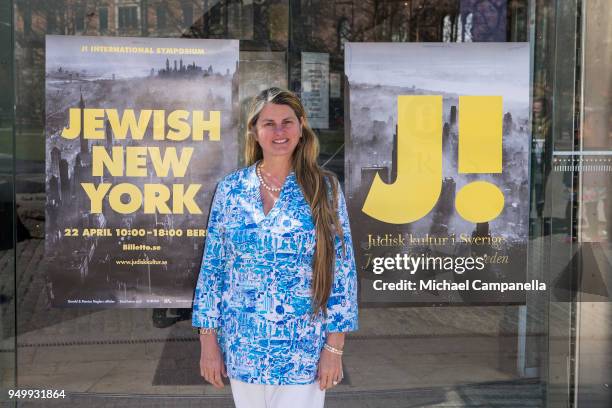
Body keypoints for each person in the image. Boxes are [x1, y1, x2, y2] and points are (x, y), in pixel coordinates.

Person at [192, 87, 358, 408]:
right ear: (254, 131)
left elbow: (343, 276)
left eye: (287, 122)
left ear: (301, 128)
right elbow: (213, 269)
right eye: (268, 123)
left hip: (302, 350)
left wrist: (334, 349)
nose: (279, 131)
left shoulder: (325, 189)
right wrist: (208, 342)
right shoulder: (231, 189)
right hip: (243, 345)